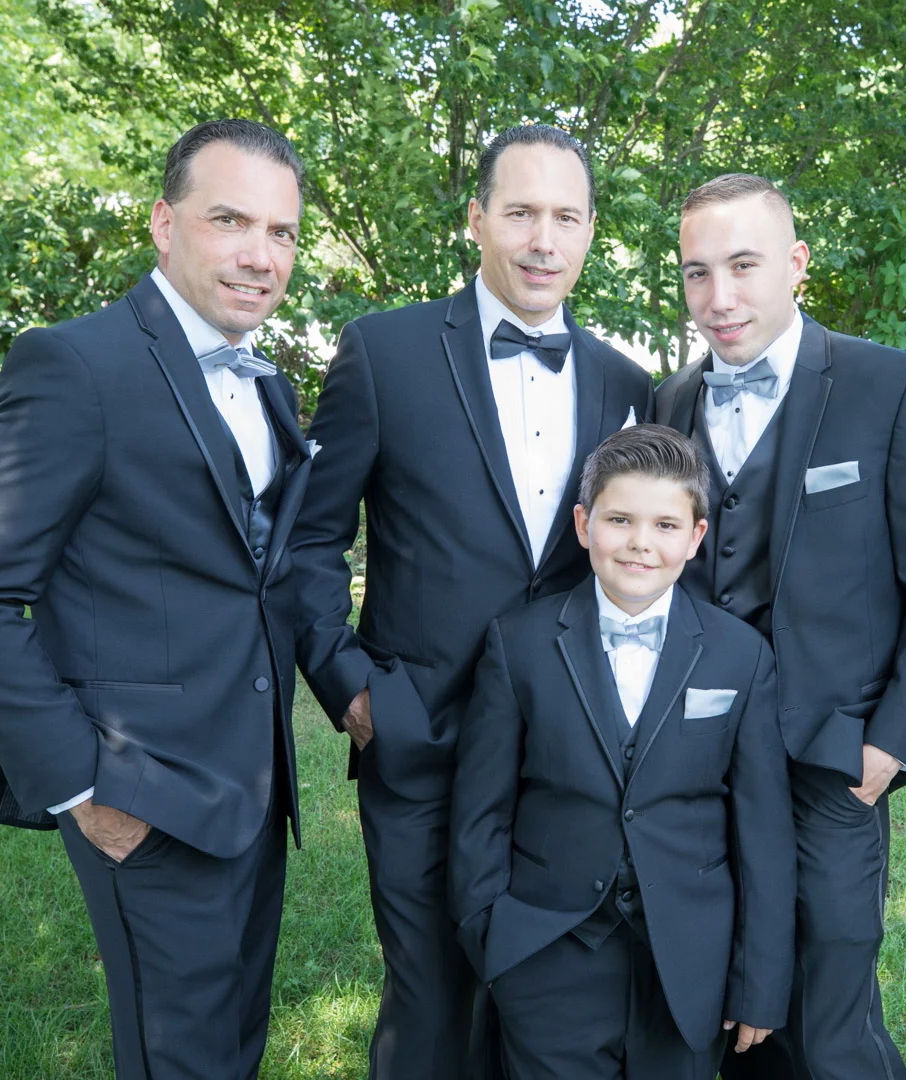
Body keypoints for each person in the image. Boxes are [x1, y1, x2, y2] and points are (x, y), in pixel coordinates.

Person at [0, 119, 311, 1079]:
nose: (260, 255)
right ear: (163, 225)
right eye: (230, 221)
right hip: (143, 792)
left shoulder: (266, 383)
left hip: (250, 786)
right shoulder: (75, 365)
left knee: (234, 1040)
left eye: (282, 232)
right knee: (179, 1057)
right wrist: (85, 791)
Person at [291, 124, 655, 1079]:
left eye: (566, 216)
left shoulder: (627, 384)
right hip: (420, 735)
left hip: (565, 757)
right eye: (521, 211)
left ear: (591, 231)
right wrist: (352, 688)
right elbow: (308, 540)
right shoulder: (383, 351)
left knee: (545, 1000)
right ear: (476, 218)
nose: (543, 239)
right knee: (431, 1004)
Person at [656, 173, 906, 1080]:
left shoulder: (890, 387)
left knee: (830, 1017)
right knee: (718, 1004)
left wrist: (890, 748)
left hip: (835, 759)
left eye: (744, 265)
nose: (720, 297)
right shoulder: (669, 402)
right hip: (697, 757)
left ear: (797, 263)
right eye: (698, 272)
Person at [449, 423, 795, 1080]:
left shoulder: (740, 656)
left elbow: (764, 833)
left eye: (665, 525)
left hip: (690, 963)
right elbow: (481, 811)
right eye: (619, 520)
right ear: (584, 525)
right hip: (548, 952)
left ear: (695, 537)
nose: (640, 542)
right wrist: (491, 935)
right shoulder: (518, 644)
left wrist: (760, 979)